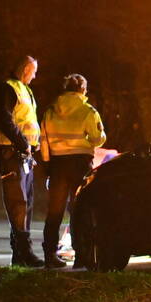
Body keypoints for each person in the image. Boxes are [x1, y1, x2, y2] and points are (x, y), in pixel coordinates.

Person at [39, 74, 106, 270]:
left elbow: (43, 140)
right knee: (80, 210)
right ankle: (81, 256)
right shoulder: (88, 111)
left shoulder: (51, 111)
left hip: (58, 164)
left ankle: (49, 255)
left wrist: (47, 164)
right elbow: (97, 139)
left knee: (54, 212)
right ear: (83, 90)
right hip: (79, 164)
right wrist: (101, 135)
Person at [0, 55, 43, 267]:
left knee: (26, 202)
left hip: (23, 154)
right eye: (34, 71)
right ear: (25, 70)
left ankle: (22, 254)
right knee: (18, 202)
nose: (35, 75)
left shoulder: (24, 89)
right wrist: (23, 143)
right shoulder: (8, 88)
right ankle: (23, 253)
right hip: (11, 152)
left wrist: (31, 145)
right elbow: (5, 119)